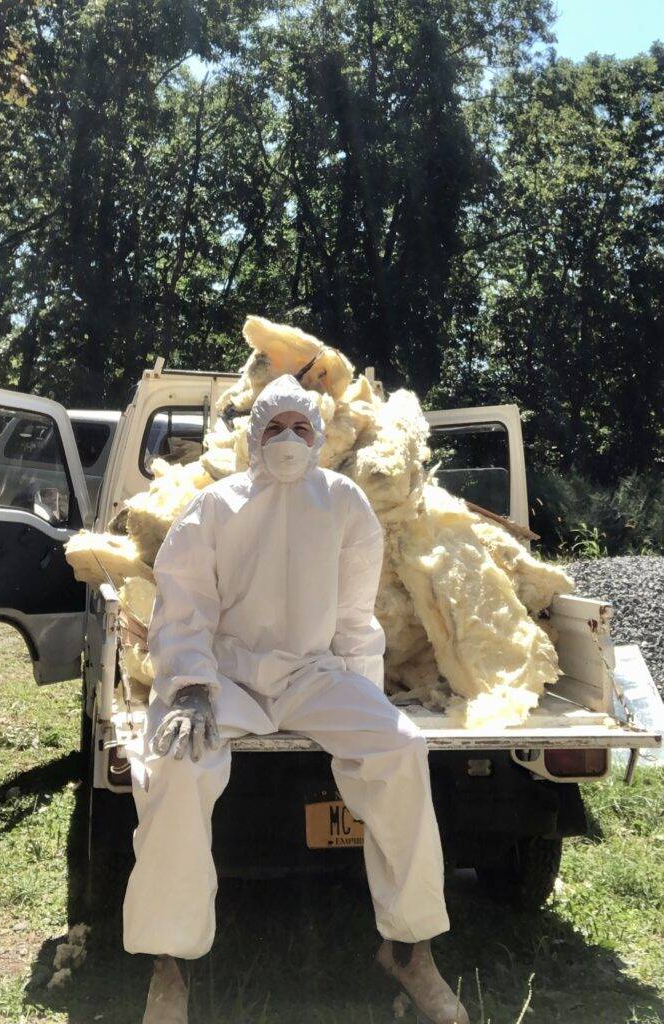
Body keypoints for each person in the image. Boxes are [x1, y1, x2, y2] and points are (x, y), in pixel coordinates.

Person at [122, 374, 469, 1024]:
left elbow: (353, 621)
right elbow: (183, 606)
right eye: (274, 427)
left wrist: (362, 713)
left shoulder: (345, 505)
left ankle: (409, 950)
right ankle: (168, 967)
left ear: (318, 437)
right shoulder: (215, 507)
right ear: (254, 438)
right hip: (224, 676)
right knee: (172, 767)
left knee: (399, 749)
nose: (287, 439)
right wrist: (190, 688)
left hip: (313, 675)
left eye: (300, 427)